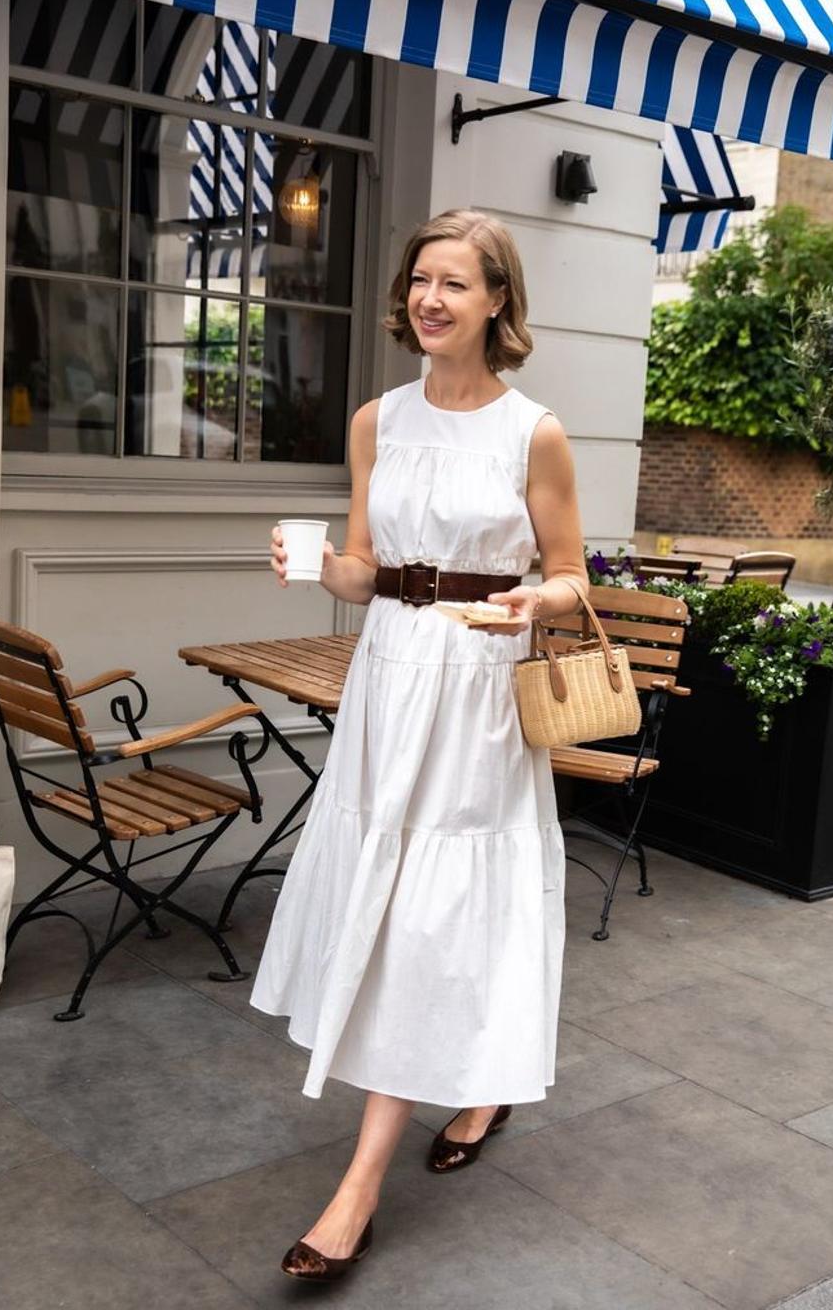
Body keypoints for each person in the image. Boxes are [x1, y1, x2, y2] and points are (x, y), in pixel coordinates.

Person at [250, 208, 588, 1282]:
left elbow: (573, 576)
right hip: (390, 674)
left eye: (454, 283)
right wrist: (318, 567)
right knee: (391, 890)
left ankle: (357, 1189)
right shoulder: (376, 420)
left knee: (432, 903)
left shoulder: (534, 432)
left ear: (497, 301)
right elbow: (366, 567)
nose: (429, 299)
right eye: (419, 281)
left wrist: (535, 600)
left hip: (479, 684)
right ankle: (477, 1087)